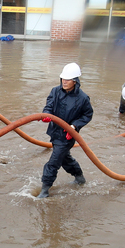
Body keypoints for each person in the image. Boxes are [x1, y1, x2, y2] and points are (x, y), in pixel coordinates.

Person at [37, 63, 93, 198]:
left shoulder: (83, 98)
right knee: (64, 158)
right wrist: (46, 114)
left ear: (75, 80)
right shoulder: (55, 91)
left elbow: (87, 115)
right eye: (63, 79)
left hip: (67, 135)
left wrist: (74, 127)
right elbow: (49, 106)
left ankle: (45, 190)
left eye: (67, 80)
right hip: (54, 132)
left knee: (54, 161)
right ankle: (79, 177)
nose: (64, 82)